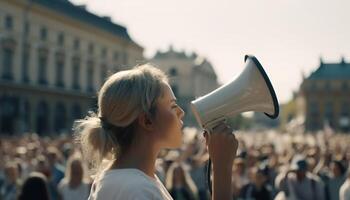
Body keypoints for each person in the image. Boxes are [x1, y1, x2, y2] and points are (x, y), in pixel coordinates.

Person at [74, 64, 238, 200]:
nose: (181, 112)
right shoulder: (137, 190)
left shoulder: (121, 180)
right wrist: (222, 167)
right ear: (147, 120)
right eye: (173, 106)